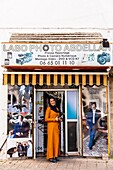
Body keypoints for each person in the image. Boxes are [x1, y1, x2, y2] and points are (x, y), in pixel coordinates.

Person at [45, 97, 62, 163]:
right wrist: (54, 119)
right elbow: (46, 119)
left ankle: (55, 155)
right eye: (51, 101)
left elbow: (57, 116)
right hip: (51, 127)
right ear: (49, 102)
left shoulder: (57, 108)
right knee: (51, 141)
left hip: (56, 127)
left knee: (56, 141)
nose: (52, 102)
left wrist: (59, 119)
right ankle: (50, 156)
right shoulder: (48, 109)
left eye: (53, 101)